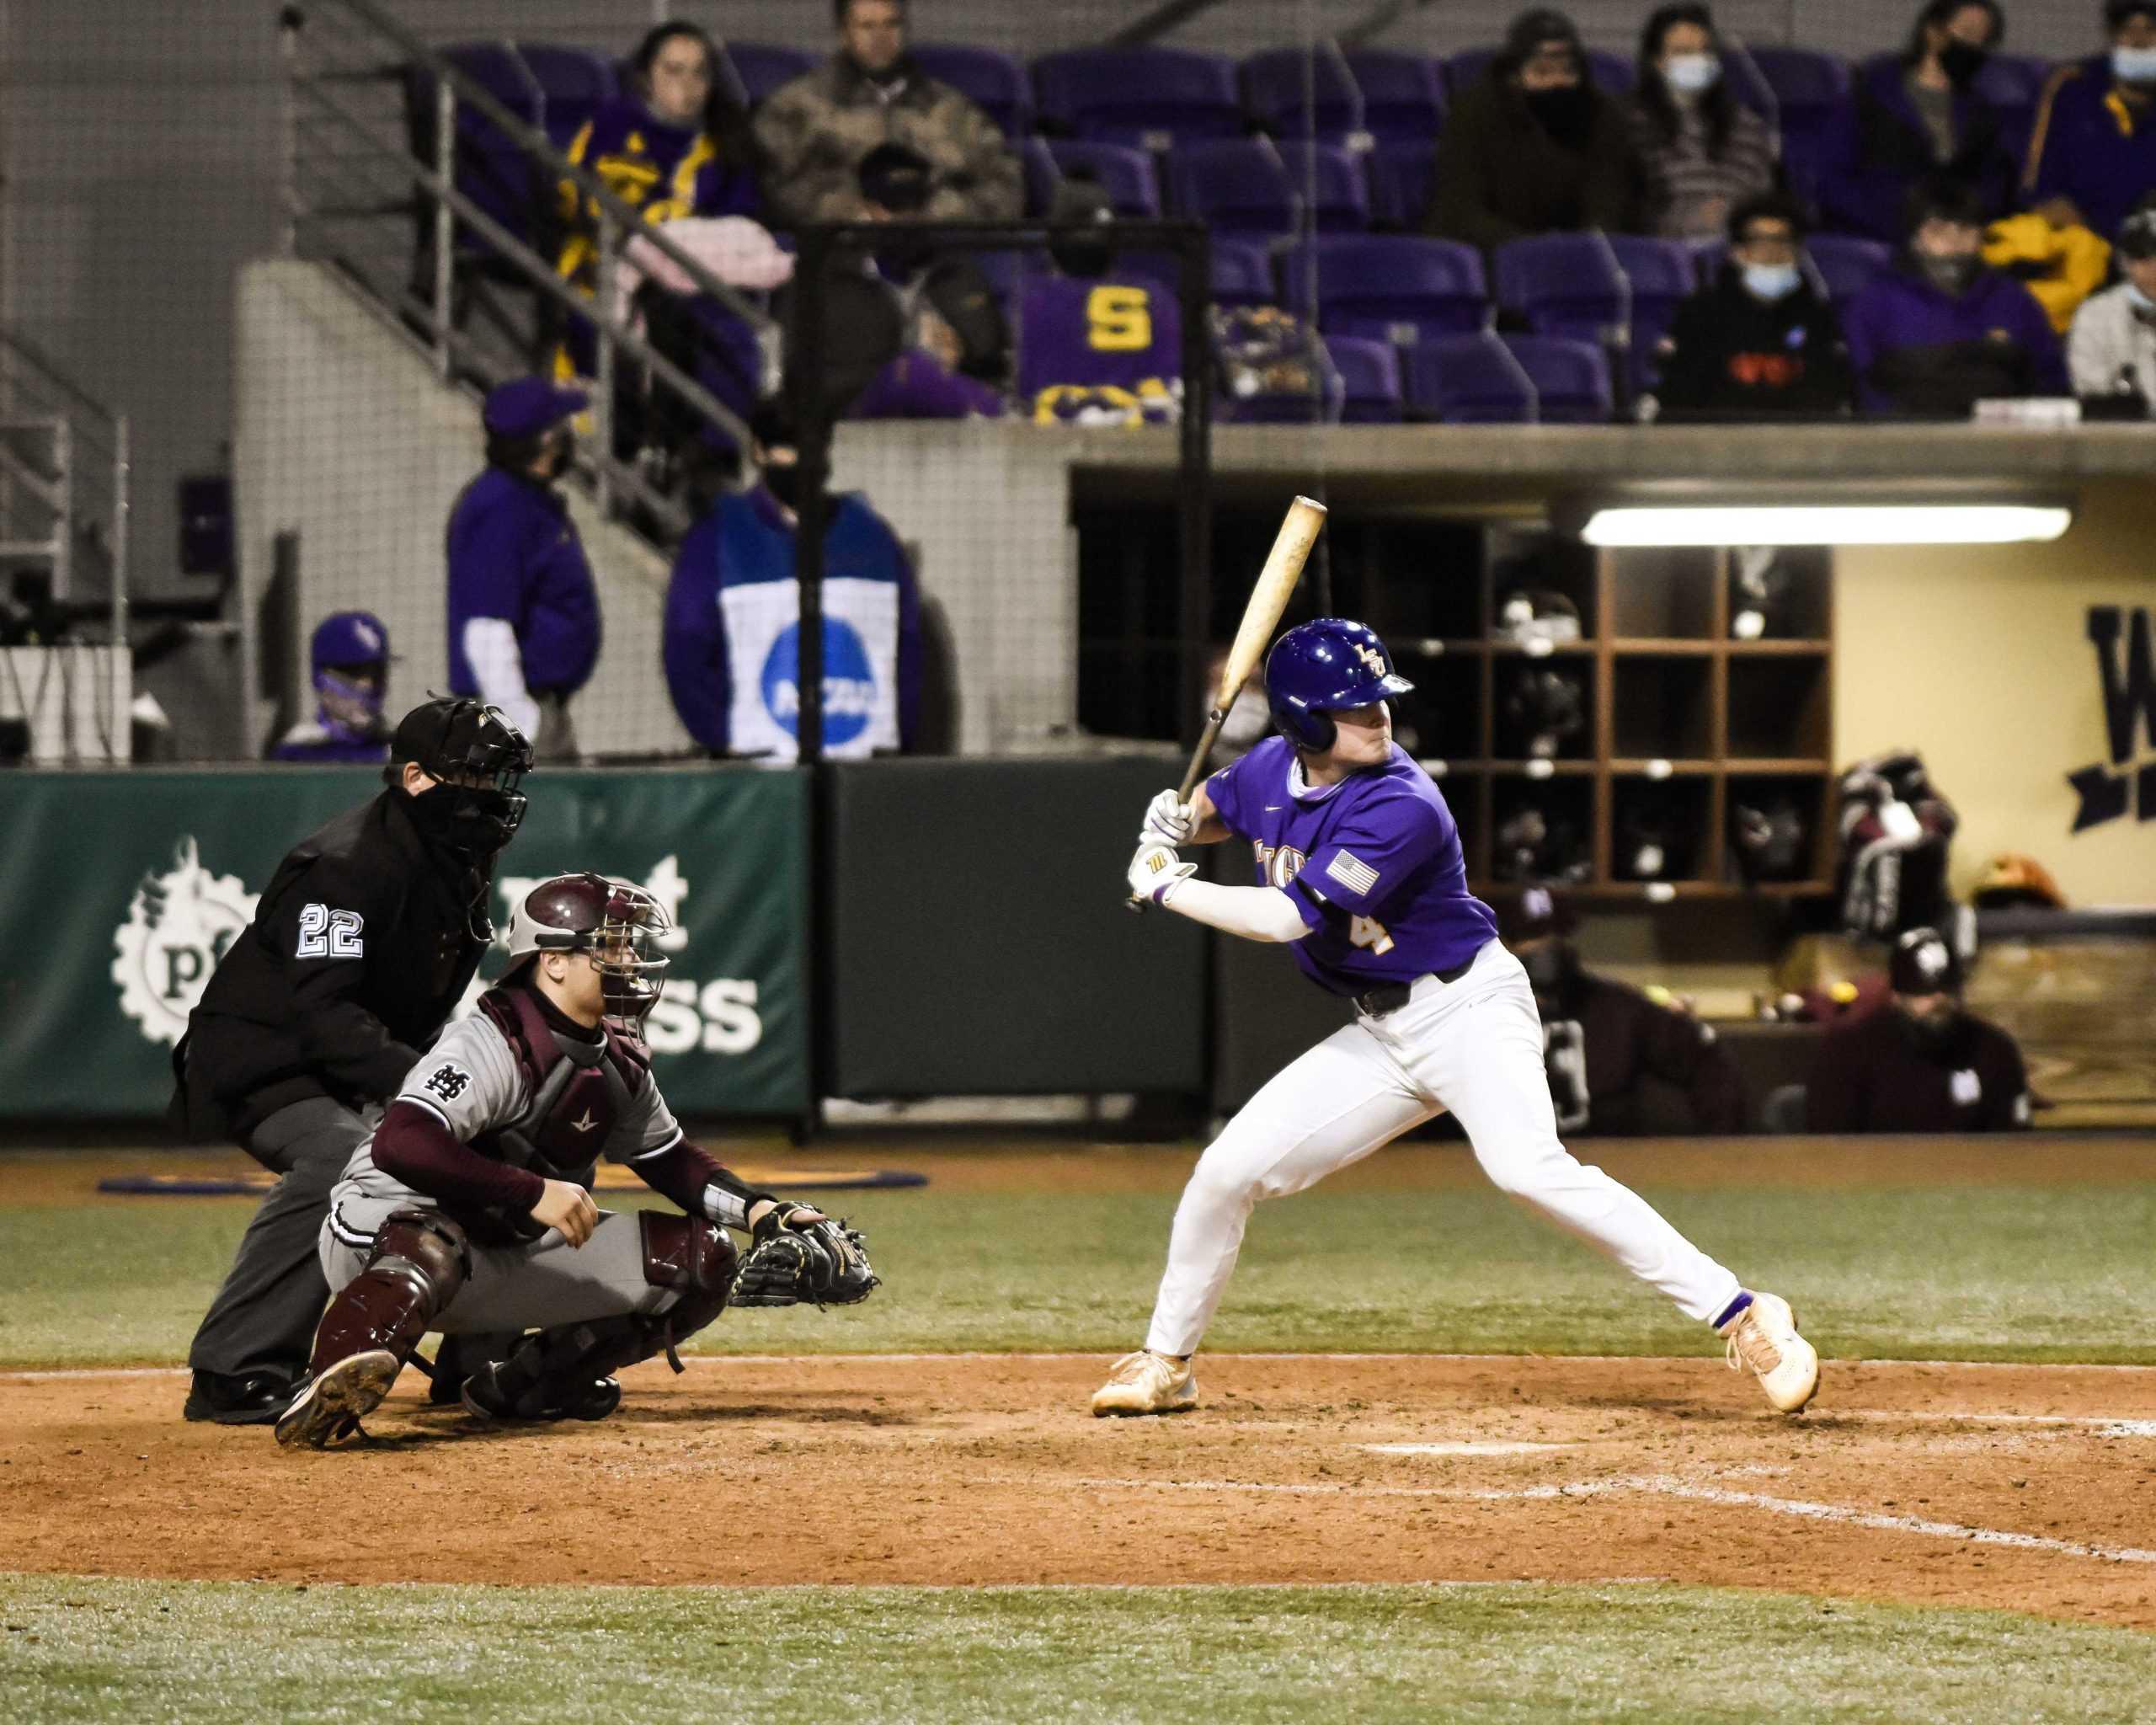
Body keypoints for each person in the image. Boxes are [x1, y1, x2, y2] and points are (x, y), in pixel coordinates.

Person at [1095, 618, 1818, 1418]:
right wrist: (1176, 823)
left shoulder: (1402, 803)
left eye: (1380, 701)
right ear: (1302, 722)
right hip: (1379, 1033)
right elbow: (1218, 805)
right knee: (1224, 1174)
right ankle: (1168, 1364)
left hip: (1468, 1008)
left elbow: (1286, 919)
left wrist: (1167, 886)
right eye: (1356, 707)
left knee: (1528, 1171)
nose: (1379, 717)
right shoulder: (1270, 765)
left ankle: (1748, 1313)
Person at [275, 873, 876, 1447]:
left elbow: (669, 1159)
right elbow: (401, 1142)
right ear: (553, 961)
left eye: (628, 945)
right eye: (609, 946)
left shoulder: (616, 1054)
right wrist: (532, 1192)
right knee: (431, 1238)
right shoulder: (491, 1040)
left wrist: (765, 1212)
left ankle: (524, 1386)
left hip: (497, 1251)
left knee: (703, 1257)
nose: (628, 960)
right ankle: (331, 1382)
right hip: (377, 1240)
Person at [171, 697, 532, 1425]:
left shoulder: (453, 856)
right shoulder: (345, 867)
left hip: (354, 1061)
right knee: (340, 1158)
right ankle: (234, 1371)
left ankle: (479, 1365)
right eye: (478, 779)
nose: (492, 798)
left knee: (514, 1147)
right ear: (417, 779)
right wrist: (425, 1096)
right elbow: (324, 1016)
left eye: (500, 781)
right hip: (266, 1062)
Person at [662, 403, 921, 760]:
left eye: (814, 446)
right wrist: (728, 740)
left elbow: (906, 651)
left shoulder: (873, 539)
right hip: (757, 780)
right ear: (758, 451)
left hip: (858, 775)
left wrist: (890, 745)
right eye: (788, 447)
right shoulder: (717, 541)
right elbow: (687, 656)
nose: (802, 459)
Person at [755, 0, 1022, 227]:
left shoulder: (950, 108)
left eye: (891, 24)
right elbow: (775, 187)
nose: (881, 37)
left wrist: (934, 214)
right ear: (843, 34)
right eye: (867, 26)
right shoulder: (796, 107)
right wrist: (855, 213)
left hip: (940, 249)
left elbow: (1007, 187)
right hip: (837, 252)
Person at [446, 377, 602, 761]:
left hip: (541, 706)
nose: (571, 437)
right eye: (563, 427)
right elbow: (486, 629)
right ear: (546, 439)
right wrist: (522, 724)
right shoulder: (500, 508)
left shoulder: (531, 500)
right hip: (515, 718)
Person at [1503, 889, 1745, 1136]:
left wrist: (1718, 1146)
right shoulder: (1482, 1015)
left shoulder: (1618, 1008)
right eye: (1531, 936)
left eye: (1555, 933)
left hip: (1610, 1162)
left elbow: (1706, 1058)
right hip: (1507, 1165)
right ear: (1508, 946)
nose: (1546, 945)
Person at [555, 23, 760, 299]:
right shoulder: (610, 123)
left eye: (699, 73)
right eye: (674, 71)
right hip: (602, 261)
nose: (688, 84)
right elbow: (570, 188)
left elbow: (736, 225)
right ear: (646, 78)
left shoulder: (727, 141)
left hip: (693, 281)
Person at [1840, 177, 2068, 414]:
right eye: (1938, 231)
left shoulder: (2013, 300)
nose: (1954, 242)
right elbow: (1860, 383)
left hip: (2002, 441)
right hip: (1905, 439)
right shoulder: (1876, 302)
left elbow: (2049, 382)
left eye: (1966, 230)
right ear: (1915, 239)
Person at [1425, 8, 1638, 251]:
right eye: (1542, 72)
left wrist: (1584, 245)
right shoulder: (1472, 114)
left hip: (1576, 255)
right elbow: (1461, 208)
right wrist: (1531, 249)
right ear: (1515, 76)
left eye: (1568, 71)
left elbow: (1607, 200)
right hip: (1489, 254)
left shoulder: (1600, 113)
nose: (1557, 81)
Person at [1818, 0, 2017, 243]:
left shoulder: (1981, 111)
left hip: (1955, 240)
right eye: (1967, 33)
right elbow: (1833, 180)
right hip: (1878, 235)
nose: (1974, 46)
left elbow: (1992, 182)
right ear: (1933, 32)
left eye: (1984, 40)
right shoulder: (1870, 94)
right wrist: (1904, 223)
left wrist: (1962, 221)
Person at [1804, 927, 2033, 1132]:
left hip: (1969, 1176)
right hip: (1875, 1175)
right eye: (1924, 992)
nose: (1939, 999)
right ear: (1896, 996)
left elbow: (2013, 1145)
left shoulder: (1993, 1050)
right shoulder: (1847, 1050)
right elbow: (1830, 1148)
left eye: (1948, 989)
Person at [1655, 192, 1855, 417]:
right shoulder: (1701, 314)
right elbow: (1679, 395)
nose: (1771, 253)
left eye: (1782, 241)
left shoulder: (1817, 316)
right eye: (1759, 242)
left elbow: (1832, 392)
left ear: (1797, 252)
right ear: (1737, 252)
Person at [1017, 176, 1183, 425]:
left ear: (1052, 242)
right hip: (1152, 440)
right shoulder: (1158, 296)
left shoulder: (1034, 297)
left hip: (1055, 441)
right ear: (1115, 241)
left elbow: (1024, 391)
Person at [1625, 4, 1776, 241]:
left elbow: (1764, 202)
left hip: (1737, 250)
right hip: (1664, 251)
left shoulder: (1747, 126)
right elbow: (1631, 209)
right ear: (1657, 61)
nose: (1696, 60)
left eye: (1704, 51)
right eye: (1683, 52)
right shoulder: (1630, 125)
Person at [2024, 0, 2156, 247]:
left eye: (2151, 29)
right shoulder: (2072, 86)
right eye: (2128, 29)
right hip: (2081, 243)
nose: (2140, 40)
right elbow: (2038, 185)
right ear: (2113, 36)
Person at [269, 611, 395, 764]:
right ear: (322, 680)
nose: (367, 685)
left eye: (376, 673)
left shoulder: (399, 748)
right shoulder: (296, 749)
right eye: (353, 672)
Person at [2068, 195, 2156, 398]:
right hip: (2121, 427)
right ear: (2123, 261)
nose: (2153, 268)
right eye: (2142, 256)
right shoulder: (2096, 314)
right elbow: (2087, 386)